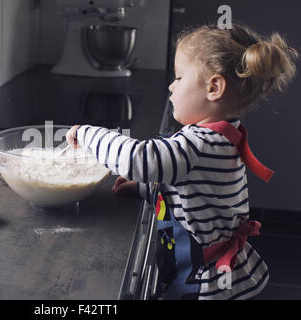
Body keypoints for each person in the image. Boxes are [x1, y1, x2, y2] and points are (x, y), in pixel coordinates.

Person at [65, 24, 298, 300]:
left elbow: (139, 159)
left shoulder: (198, 145)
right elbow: (196, 191)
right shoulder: (222, 135)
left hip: (206, 285)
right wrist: (145, 189)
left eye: (178, 77)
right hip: (211, 272)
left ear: (214, 87)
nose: (171, 85)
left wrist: (87, 133)